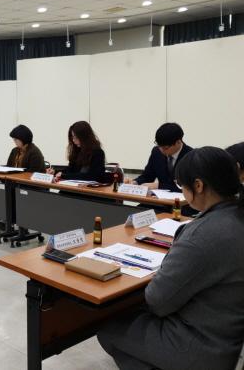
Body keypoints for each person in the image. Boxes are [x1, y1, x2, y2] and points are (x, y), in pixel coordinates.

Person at [98, 146, 244, 370]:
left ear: (198, 186)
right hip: (229, 337)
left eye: (181, 184)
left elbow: (158, 302)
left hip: (200, 344)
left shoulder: (201, 235)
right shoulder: (236, 214)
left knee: (109, 329)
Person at [126, 122, 192, 192]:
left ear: (178, 142)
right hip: (158, 198)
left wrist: (159, 186)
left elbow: (189, 188)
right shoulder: (156, 152)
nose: (161, 150)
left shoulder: (191, 156)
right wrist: (135, 182)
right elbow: (147, 176)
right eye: (159, 146)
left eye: (165, 148)